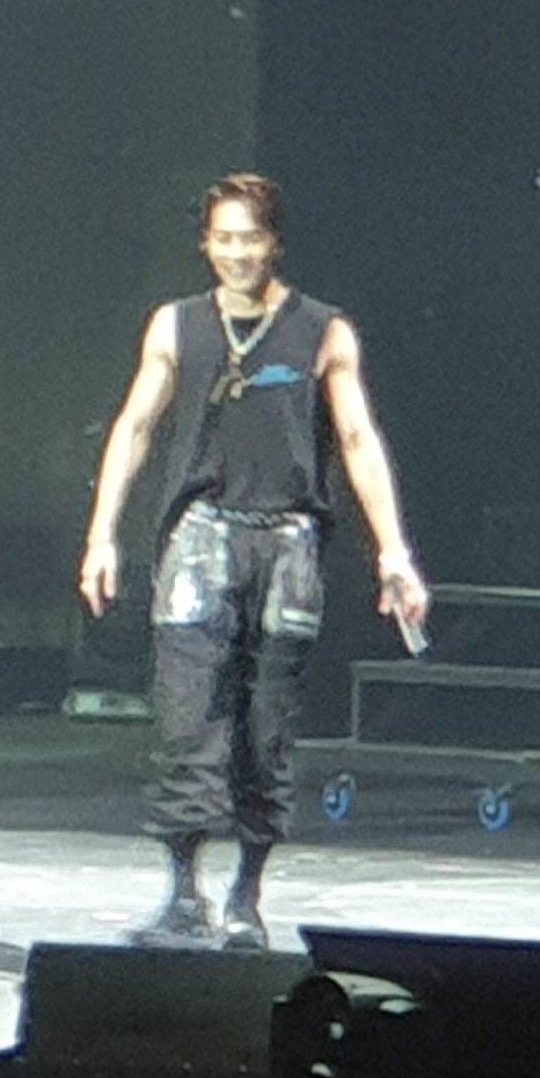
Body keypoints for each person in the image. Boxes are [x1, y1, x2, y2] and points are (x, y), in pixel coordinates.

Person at [78, 174, 428, 948]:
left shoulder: (322, 331)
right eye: (224, 238)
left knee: (266, 727)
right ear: (206, 243)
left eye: (251, 237)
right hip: (201, 537)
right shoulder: (176, 326)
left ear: (275, 242)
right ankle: (182, 892)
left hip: (288, 542)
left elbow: (358, 439)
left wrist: (393, 551)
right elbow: (135, 426)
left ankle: (247, 896)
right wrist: (104, 533)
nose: (237, 252)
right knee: (186, 720)